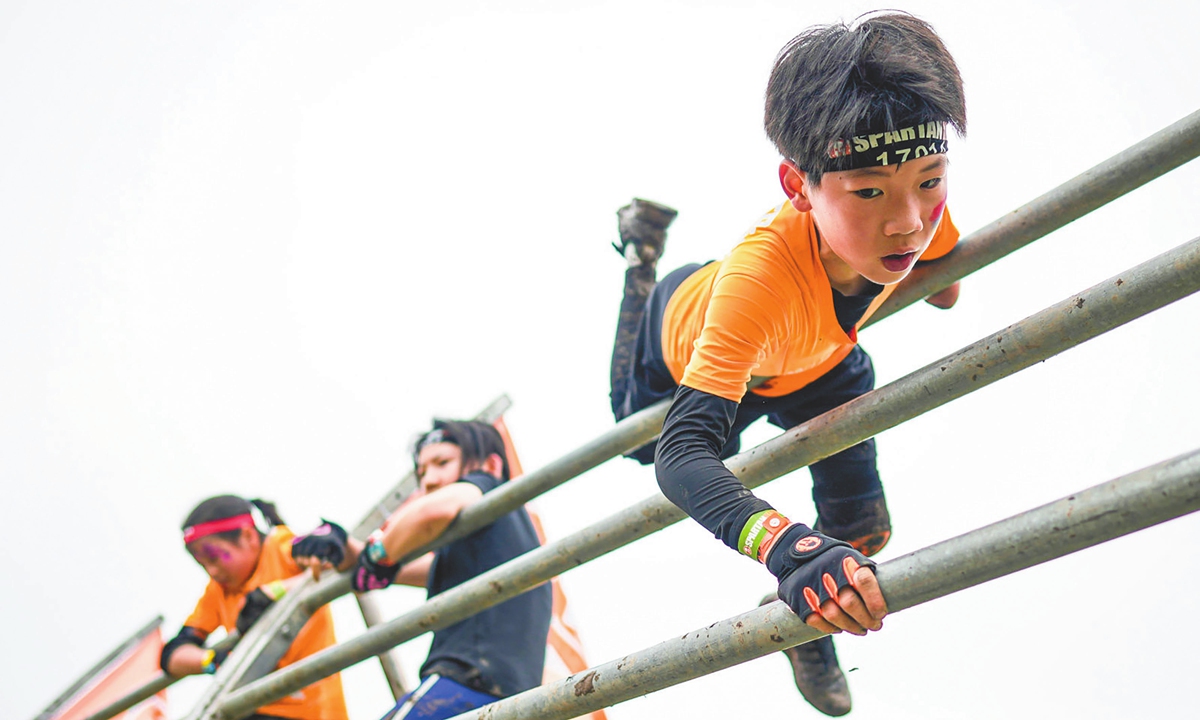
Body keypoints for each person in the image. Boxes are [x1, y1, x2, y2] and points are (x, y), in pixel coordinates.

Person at [607, 12, 966, 716]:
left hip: (818, 362)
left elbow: (944, 278)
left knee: (864, 533)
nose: (907, 222)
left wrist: (938, 270)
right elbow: (680, 458)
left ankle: (805, 631)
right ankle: (640, 258)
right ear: (798, 186)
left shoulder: (919, 216)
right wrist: (789, 550)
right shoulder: (759, 283)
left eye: (930, 180)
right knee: (637, 436)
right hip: (692, 341)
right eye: (869, 191)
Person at [292, 420, 552, 720]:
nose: (429, 480)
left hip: (466, 683)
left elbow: (431, 513)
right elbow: (409, 569)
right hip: (504, 697)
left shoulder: (485, 484)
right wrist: (347, 549)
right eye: (422, 472)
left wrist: (378, 554)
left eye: (442, 463)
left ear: (491, 465)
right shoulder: (494, 546)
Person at [159, 495, 349, 720]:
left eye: (214, 558)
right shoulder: (218, 590)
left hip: (312, 712)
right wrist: (213, 661)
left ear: (248, 536)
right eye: (203, 564)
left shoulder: (279, 548)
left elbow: (330, 550)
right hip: (254, 706)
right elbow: (173, 655)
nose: (212, 571)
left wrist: (272, 592)